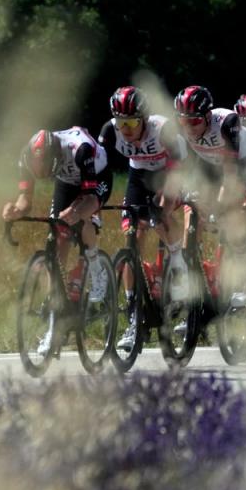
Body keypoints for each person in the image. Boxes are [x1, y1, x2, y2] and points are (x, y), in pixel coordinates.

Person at [2, 126, 112, 355]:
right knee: (57, 234)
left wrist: (76, 212)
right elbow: (25, 201)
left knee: (81, 220)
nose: (39, 172)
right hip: (67, 181)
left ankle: (96, 268)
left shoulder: (80, 150)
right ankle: (57, 318)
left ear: (53, 158)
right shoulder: (25, 157)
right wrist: (14, 210)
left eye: (43, 169)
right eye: (36, 169)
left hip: (96, 178)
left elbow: (90, 199)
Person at [100, 86, 187, 351]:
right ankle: (133, 311)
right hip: (138, 176)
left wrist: (167, 199)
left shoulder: (162, 130)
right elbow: (99, 166)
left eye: (131, 122)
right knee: (133, 238)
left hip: (169, 172)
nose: (125, 129)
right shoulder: (109, 131)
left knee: (161, 219)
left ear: (144, 119)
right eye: (120, 122)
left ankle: (179, 261)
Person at [173, 85, 246, 310]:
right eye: (184, 121)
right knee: (191, 207)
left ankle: (243, 280)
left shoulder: (227, 123)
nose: (188, 128)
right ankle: (190, 270)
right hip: (209, 163)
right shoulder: (182, 129)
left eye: (194, 121)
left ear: (208, 116)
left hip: (241, 164)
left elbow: (231, 174)